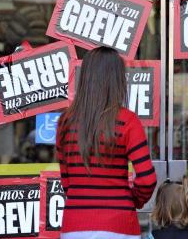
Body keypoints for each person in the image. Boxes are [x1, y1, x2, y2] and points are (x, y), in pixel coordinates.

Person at [56, 46, 157, 239]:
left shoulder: (65, 122)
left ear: (85, 78)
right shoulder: (128, 121)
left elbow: (66, 182)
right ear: (117, 80)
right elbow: (147, 179)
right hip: (119, 225)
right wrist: (130, 200)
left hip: (75, 226)